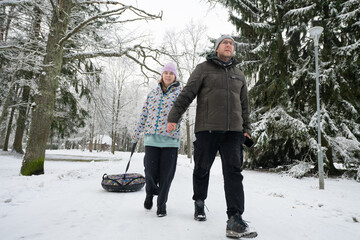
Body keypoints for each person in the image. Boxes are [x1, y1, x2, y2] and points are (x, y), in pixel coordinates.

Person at [167, 35, 257, 238]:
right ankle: (199, 202)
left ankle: (235, 218)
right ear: (217, 48)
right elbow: (187, 94)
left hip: (233, 131)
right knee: (201, 168)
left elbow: (245, 105)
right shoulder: (203, 69)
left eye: (232, 43)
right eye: (225, 42)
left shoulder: (239, 74)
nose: (229, 45)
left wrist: (246, 127)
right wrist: (173, 116)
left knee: (234, 172)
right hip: (207, 128)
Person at [131, 62, 182, 217]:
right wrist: (136, 133)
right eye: (165, 72)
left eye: (171, 73)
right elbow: (144, 114)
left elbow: (181, 113)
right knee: (150, 172)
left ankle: (161, 203)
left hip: (170, 140)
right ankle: (150, 192)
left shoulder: (180, 94)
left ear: (175, 77)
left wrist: (173, 125)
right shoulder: (152, 94)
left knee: (166, 175)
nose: (168, 75)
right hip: (151, 139)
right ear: (162, 75)